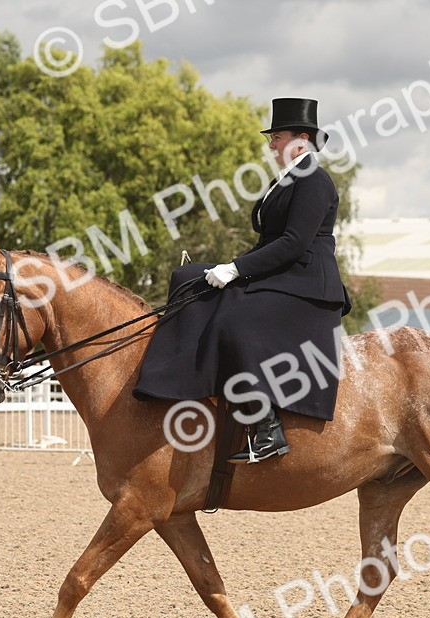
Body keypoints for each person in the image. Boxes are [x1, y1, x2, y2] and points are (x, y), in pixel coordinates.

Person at [135, 97, 351, 463]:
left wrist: (235, 269)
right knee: (188, 278)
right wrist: (226, 268)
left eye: (276, 137)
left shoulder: (314, 179)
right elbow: (269, 240)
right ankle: (175, 381)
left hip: (307, 283)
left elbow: (294, 242)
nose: (271, 145)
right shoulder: (283, 180)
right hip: (283, 274)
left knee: (236, 322)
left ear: (301, 138)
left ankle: (267, 428)